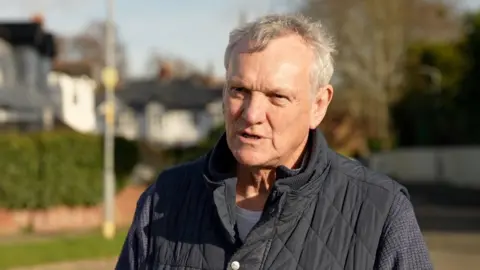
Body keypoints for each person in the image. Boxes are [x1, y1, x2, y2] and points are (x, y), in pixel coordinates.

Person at [116, 13, 433, 270]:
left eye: (277, 97)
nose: (252, 114)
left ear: (319, 105)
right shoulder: (165, 198)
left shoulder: (380, 211)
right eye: (239, 90)